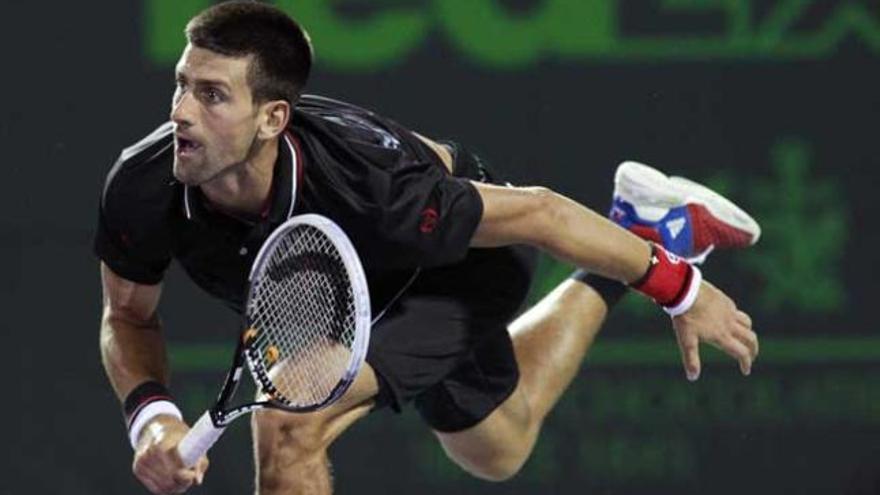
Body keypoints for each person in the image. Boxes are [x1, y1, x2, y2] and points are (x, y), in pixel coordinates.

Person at [95, 2, 760, 494]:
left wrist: (682, 289)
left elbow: (539, 212)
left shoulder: (376, 185)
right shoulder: (145, 181)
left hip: (452, 266)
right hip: (343, 288)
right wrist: (151, 420)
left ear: (273, 118)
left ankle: (650, 249)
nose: (181, 111)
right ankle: (642, 224)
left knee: (289, 423)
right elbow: (128, 316)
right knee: (497, 448)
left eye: (212, 95)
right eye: (183, 83)